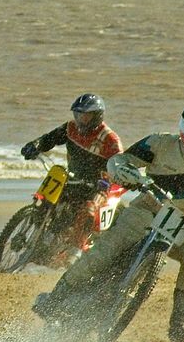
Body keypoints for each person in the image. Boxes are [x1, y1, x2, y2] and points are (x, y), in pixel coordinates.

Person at [34, 102, 184, 342]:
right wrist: (125, 172)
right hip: (145, 208)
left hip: (178, 222)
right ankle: (54, 299)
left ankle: (178, 324)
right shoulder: (159, 143)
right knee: (103, 252)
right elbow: (118, 161)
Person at [20, 93, 123, 260]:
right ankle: (43, 241)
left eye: (85, 116)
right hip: (73, 178)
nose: (80, 119)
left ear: (97, 116)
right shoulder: (70, 128)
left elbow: (119, 165)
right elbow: (49, 138)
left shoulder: (110, 139)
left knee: (88, 211)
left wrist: (105, 182)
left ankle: (75, 251)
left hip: (98, 186)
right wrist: (34, 145)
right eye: (78, 115)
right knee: (48, 201)